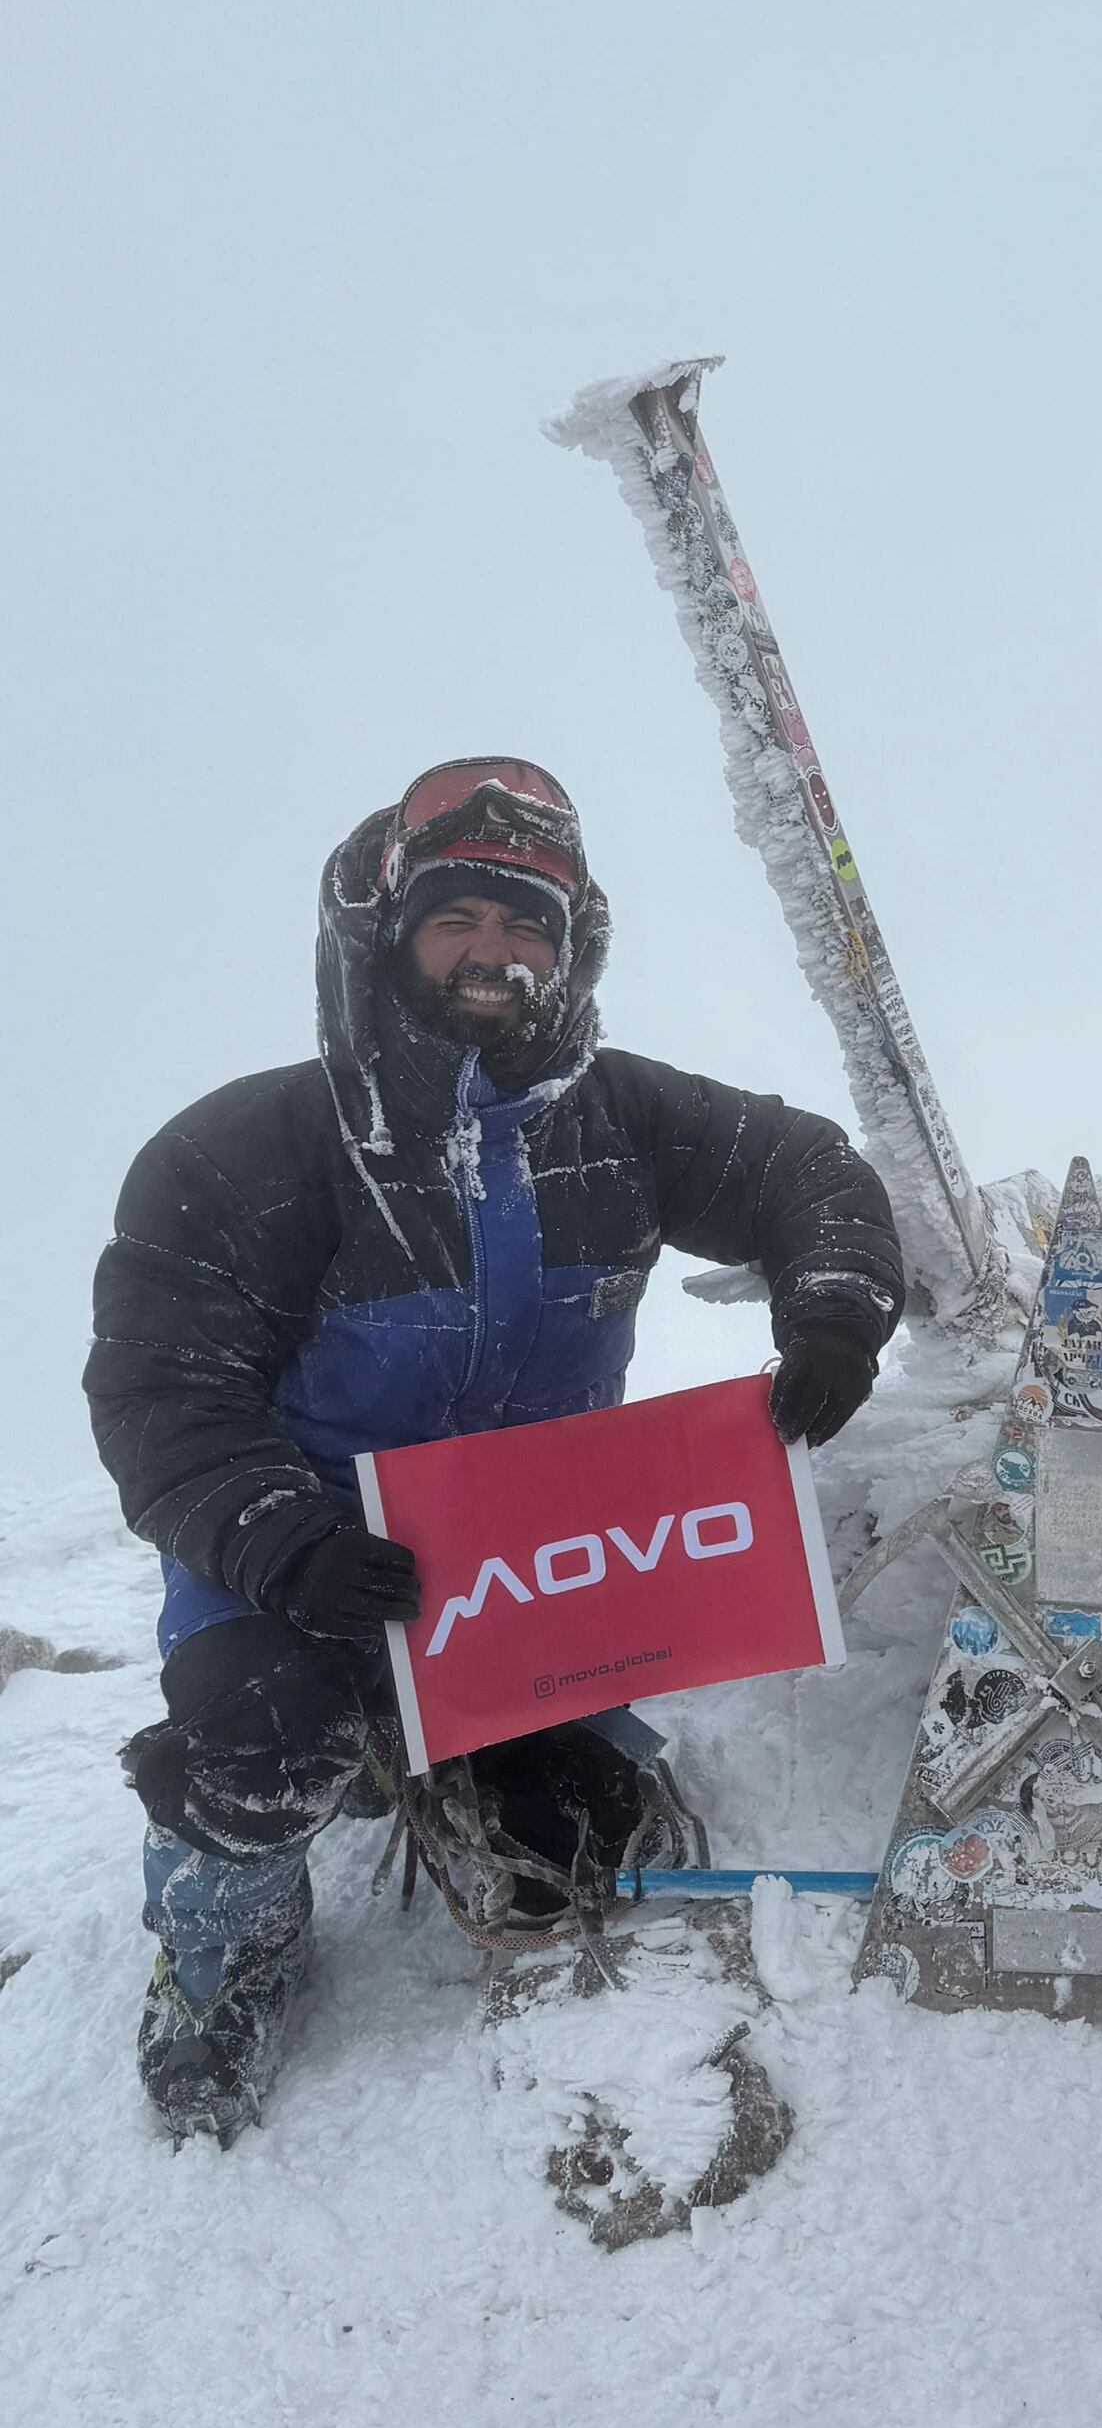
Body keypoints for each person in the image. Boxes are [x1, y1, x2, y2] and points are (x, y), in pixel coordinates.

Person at [87, 758, 904, 2138]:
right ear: (392, 928)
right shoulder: (249, 1147)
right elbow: (163, 1397)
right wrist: (282, 1538)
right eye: (462, 914)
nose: (496, 950)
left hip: (532, 1582)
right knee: (271, 1748)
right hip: (301, 1569)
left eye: (531, 925)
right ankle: (222, 1932)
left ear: (573, 950)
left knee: (574, 1844)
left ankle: (439, 1761)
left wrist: (836, 1307)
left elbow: (802, 1169)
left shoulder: (620, 1119)